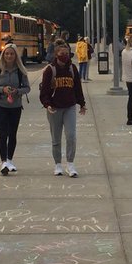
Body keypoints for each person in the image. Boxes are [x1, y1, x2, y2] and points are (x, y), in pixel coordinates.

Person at [39, 41, 86, 176]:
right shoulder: (50, 70)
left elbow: (77, 87)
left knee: (71, 136)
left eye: (67, 54)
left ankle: (70, 164)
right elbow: (44, 91)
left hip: (69, 106)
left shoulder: (72, 69)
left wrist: (81, 103)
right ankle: (58, 164)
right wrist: (47, 104)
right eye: (62, 54)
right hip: (54, 107)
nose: (65, 56)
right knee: (56, 138)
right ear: (56, 55)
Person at [0, 43, 30, 173]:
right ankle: (3, 162)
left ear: (15, 55)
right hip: (1, 105)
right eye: (7, 53)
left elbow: (27, 88)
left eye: (11, 53)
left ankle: (10, 160)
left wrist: (17, 91)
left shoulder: (20, 70)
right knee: (3, 134)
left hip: (15, 106)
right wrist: (2, 89)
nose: (9, 56)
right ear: (3, 55)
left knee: (12, 134)